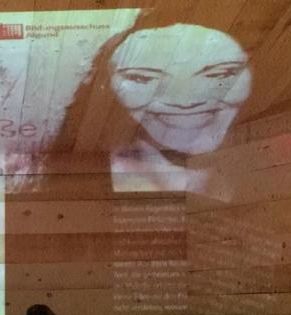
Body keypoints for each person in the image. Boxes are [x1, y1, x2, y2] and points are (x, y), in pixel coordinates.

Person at [14, 11, 251, 196]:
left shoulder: (264, 166)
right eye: (142, 78)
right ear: (105, 88)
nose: (185, 101)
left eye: (221, 74)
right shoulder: (75, 178)